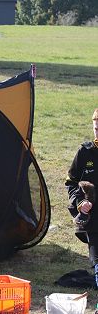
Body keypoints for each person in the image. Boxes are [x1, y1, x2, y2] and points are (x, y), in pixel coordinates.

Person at [66, 108, 98, 288]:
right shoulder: (85, 152)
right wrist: (80, 203)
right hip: (94, 222)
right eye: (96, 129)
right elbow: (71, 182)